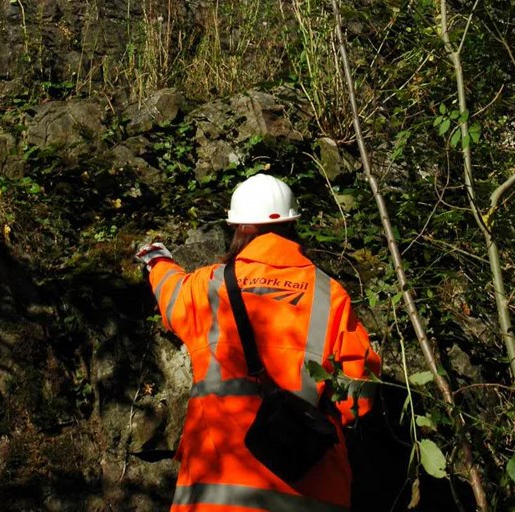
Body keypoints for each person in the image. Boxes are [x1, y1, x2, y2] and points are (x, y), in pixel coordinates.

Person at [135, 173, 380, 512]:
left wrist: (157, 260)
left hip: (216, 494)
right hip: (313, 489)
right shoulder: (331, 296)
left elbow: (171, 292)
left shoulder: (209, 287)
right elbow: (358, 401)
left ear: (239, 228)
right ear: (293, 226)